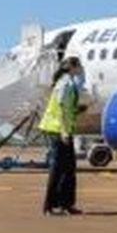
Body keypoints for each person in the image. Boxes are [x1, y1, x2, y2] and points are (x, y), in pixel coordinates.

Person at [39, 57, 85, 215]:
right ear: (73, 67)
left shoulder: (70, 83)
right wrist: (64, 132)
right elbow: (61, 109)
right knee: (57, 168)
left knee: (69, 168)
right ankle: (49, 206)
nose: (81, 68)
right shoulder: (64, 84)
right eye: (79, 65)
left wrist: (77, 110)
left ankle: (66, 204)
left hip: (64, 129)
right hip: (57, 130)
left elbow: (68, 108)